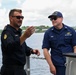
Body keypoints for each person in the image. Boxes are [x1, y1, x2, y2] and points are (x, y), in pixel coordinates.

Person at [1, 9, 40, 75]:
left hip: (20, 70)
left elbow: (23, 47)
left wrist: (31, 50)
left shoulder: (18, 32)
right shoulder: (7, 32)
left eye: (22, 17)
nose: (21, 19)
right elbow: (9, 47)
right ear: (11, 18)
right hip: (10, 71)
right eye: (18, 17)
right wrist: (24, 36)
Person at [42, 11, 76, 75]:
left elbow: (75, 46)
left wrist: (75, 62)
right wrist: (51, 65)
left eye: (55, 18)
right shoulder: (48, 33)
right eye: (51, 19)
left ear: (61, 18)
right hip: (57, 65)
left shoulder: (71, 31)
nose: (53, 20)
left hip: (70, 63)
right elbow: (45, 50)